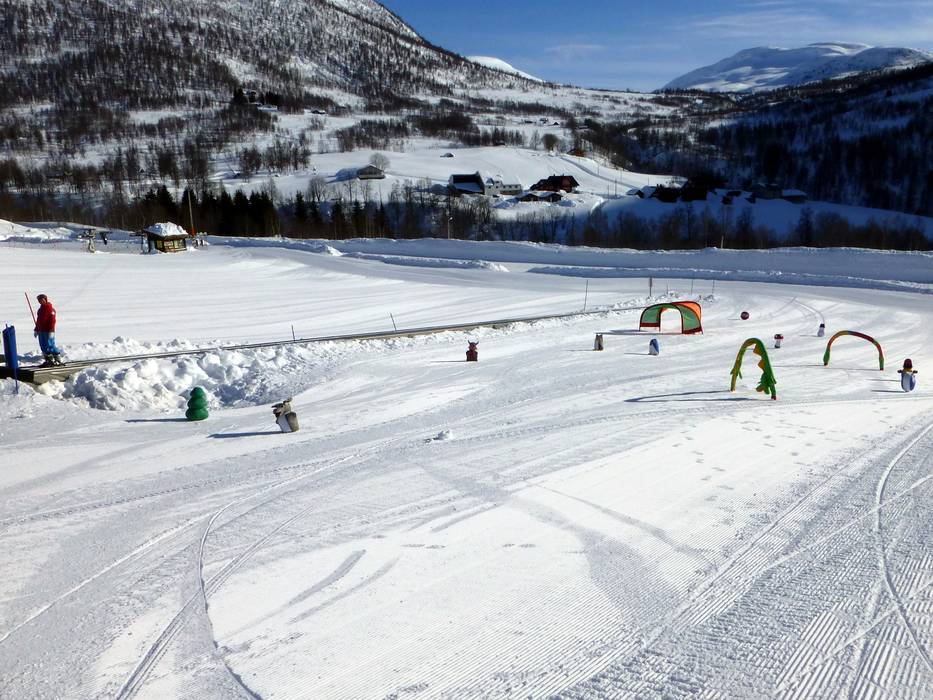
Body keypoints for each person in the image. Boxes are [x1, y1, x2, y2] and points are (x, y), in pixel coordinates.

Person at [34, 293, 63, 367]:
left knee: (50, 345)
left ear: (46, 300)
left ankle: (57, 359)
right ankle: (49, 360)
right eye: (39, 300)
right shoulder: (40, 310)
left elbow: (53, 321)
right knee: (43, 345)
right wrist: (36, 330)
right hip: (41, 331)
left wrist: (51, 331)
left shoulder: (50, 309)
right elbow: (38, 321)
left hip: (48, 331)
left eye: (42, 300)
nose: (41, 301)